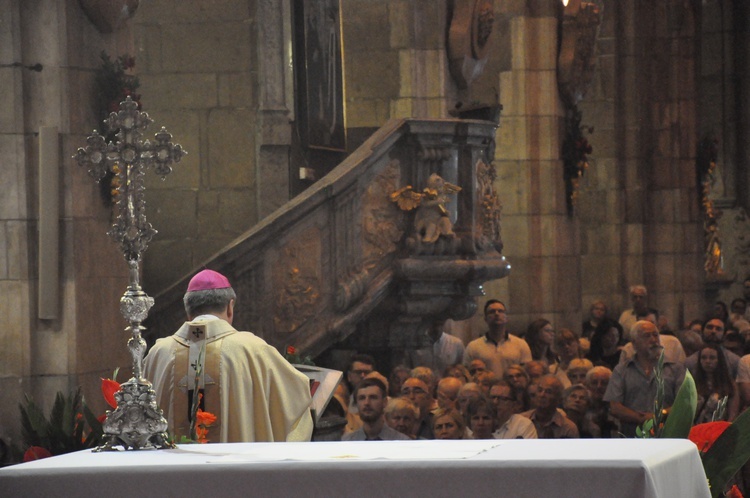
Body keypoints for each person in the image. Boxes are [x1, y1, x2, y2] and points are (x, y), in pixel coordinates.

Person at [143, 269, 313, 442]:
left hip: (171, 468)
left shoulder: (158, 354)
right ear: (230, 307)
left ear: (188, 311)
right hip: (237, 468)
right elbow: (296, 403)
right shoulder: (253, 350)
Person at [604, 320, 686, 437]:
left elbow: (683, 403)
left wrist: (659, 415)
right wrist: (640, 418)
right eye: (647, 336)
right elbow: (615, 407)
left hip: (668, 435)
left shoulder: (676, 369)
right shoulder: (622, 370)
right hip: (632, 436)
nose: (653, 340)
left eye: (655, 335)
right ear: (634, 343)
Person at [464, 300, 532, 378]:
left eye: (500, 311)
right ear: (485, 319)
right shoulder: (473, 346)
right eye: (492, 312)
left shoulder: (520, 344)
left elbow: (527, 372)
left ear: (506, 317)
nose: (496, 314)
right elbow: (467, 373)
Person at [342, 378, 410, 441]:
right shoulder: (347, 442)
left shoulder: (402, 442)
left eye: (373, 397)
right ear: (356, 403)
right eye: (362, 398)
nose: (367, 403)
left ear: (385, 402)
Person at [693, 345, 739, 423]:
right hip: (697, 429)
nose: (707, 361)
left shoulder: (729, 384)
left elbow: (733, 413)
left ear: (719, 360)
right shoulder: (693, 383)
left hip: (719, 429)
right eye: (703, 358)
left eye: (712, 358)